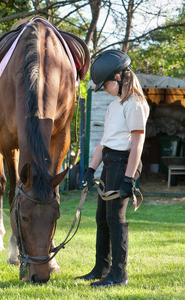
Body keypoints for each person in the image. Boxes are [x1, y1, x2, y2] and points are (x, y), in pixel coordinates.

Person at [75, 50, 150, 287]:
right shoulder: (115, 105)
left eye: (105, 84)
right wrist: (89, 169)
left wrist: (129, 179)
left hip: (124, 163)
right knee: (102, 217)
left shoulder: (135, 104)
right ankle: (101, 268)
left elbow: (138, 143)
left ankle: (119, 275)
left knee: (115, 219)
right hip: (109, 162)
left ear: (118, 77)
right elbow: (103, 142)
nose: (104, 89)